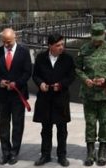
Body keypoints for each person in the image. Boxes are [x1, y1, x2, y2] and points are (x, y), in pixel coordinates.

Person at [76, 23, 106, 166]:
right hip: (89, 94)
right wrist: (85, 80)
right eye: (95, 38)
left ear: (104, 35)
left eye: (100, 38)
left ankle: (102, 152)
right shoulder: (84, 49)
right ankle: (90, 153)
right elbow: (77, 69)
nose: (97, 41)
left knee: (104, 123)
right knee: (90, 123)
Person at [0, 28, 32, 165]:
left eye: (9, 42)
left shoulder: (24, 52)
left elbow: (27, 72)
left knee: (18, 125)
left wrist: (16, 83)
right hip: (2, 95)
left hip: (18, 95)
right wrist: (0, 81)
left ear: (15, 38)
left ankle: (14, 152)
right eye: (4, 42)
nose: (6, 44)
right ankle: (5, 152)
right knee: (4, 125)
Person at [32, 33, 75, 167]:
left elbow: (71, 76)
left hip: (60, 98)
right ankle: (45, 155)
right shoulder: (40, 57)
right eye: (58, 45)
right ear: (50, 45)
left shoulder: (68, 59)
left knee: (62, 129)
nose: (61, 47)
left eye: (62, 44)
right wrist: (40, 84)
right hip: (45, 98)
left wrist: (61, 84)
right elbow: (35, 75)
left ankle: (62, 155)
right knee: (46, 129)